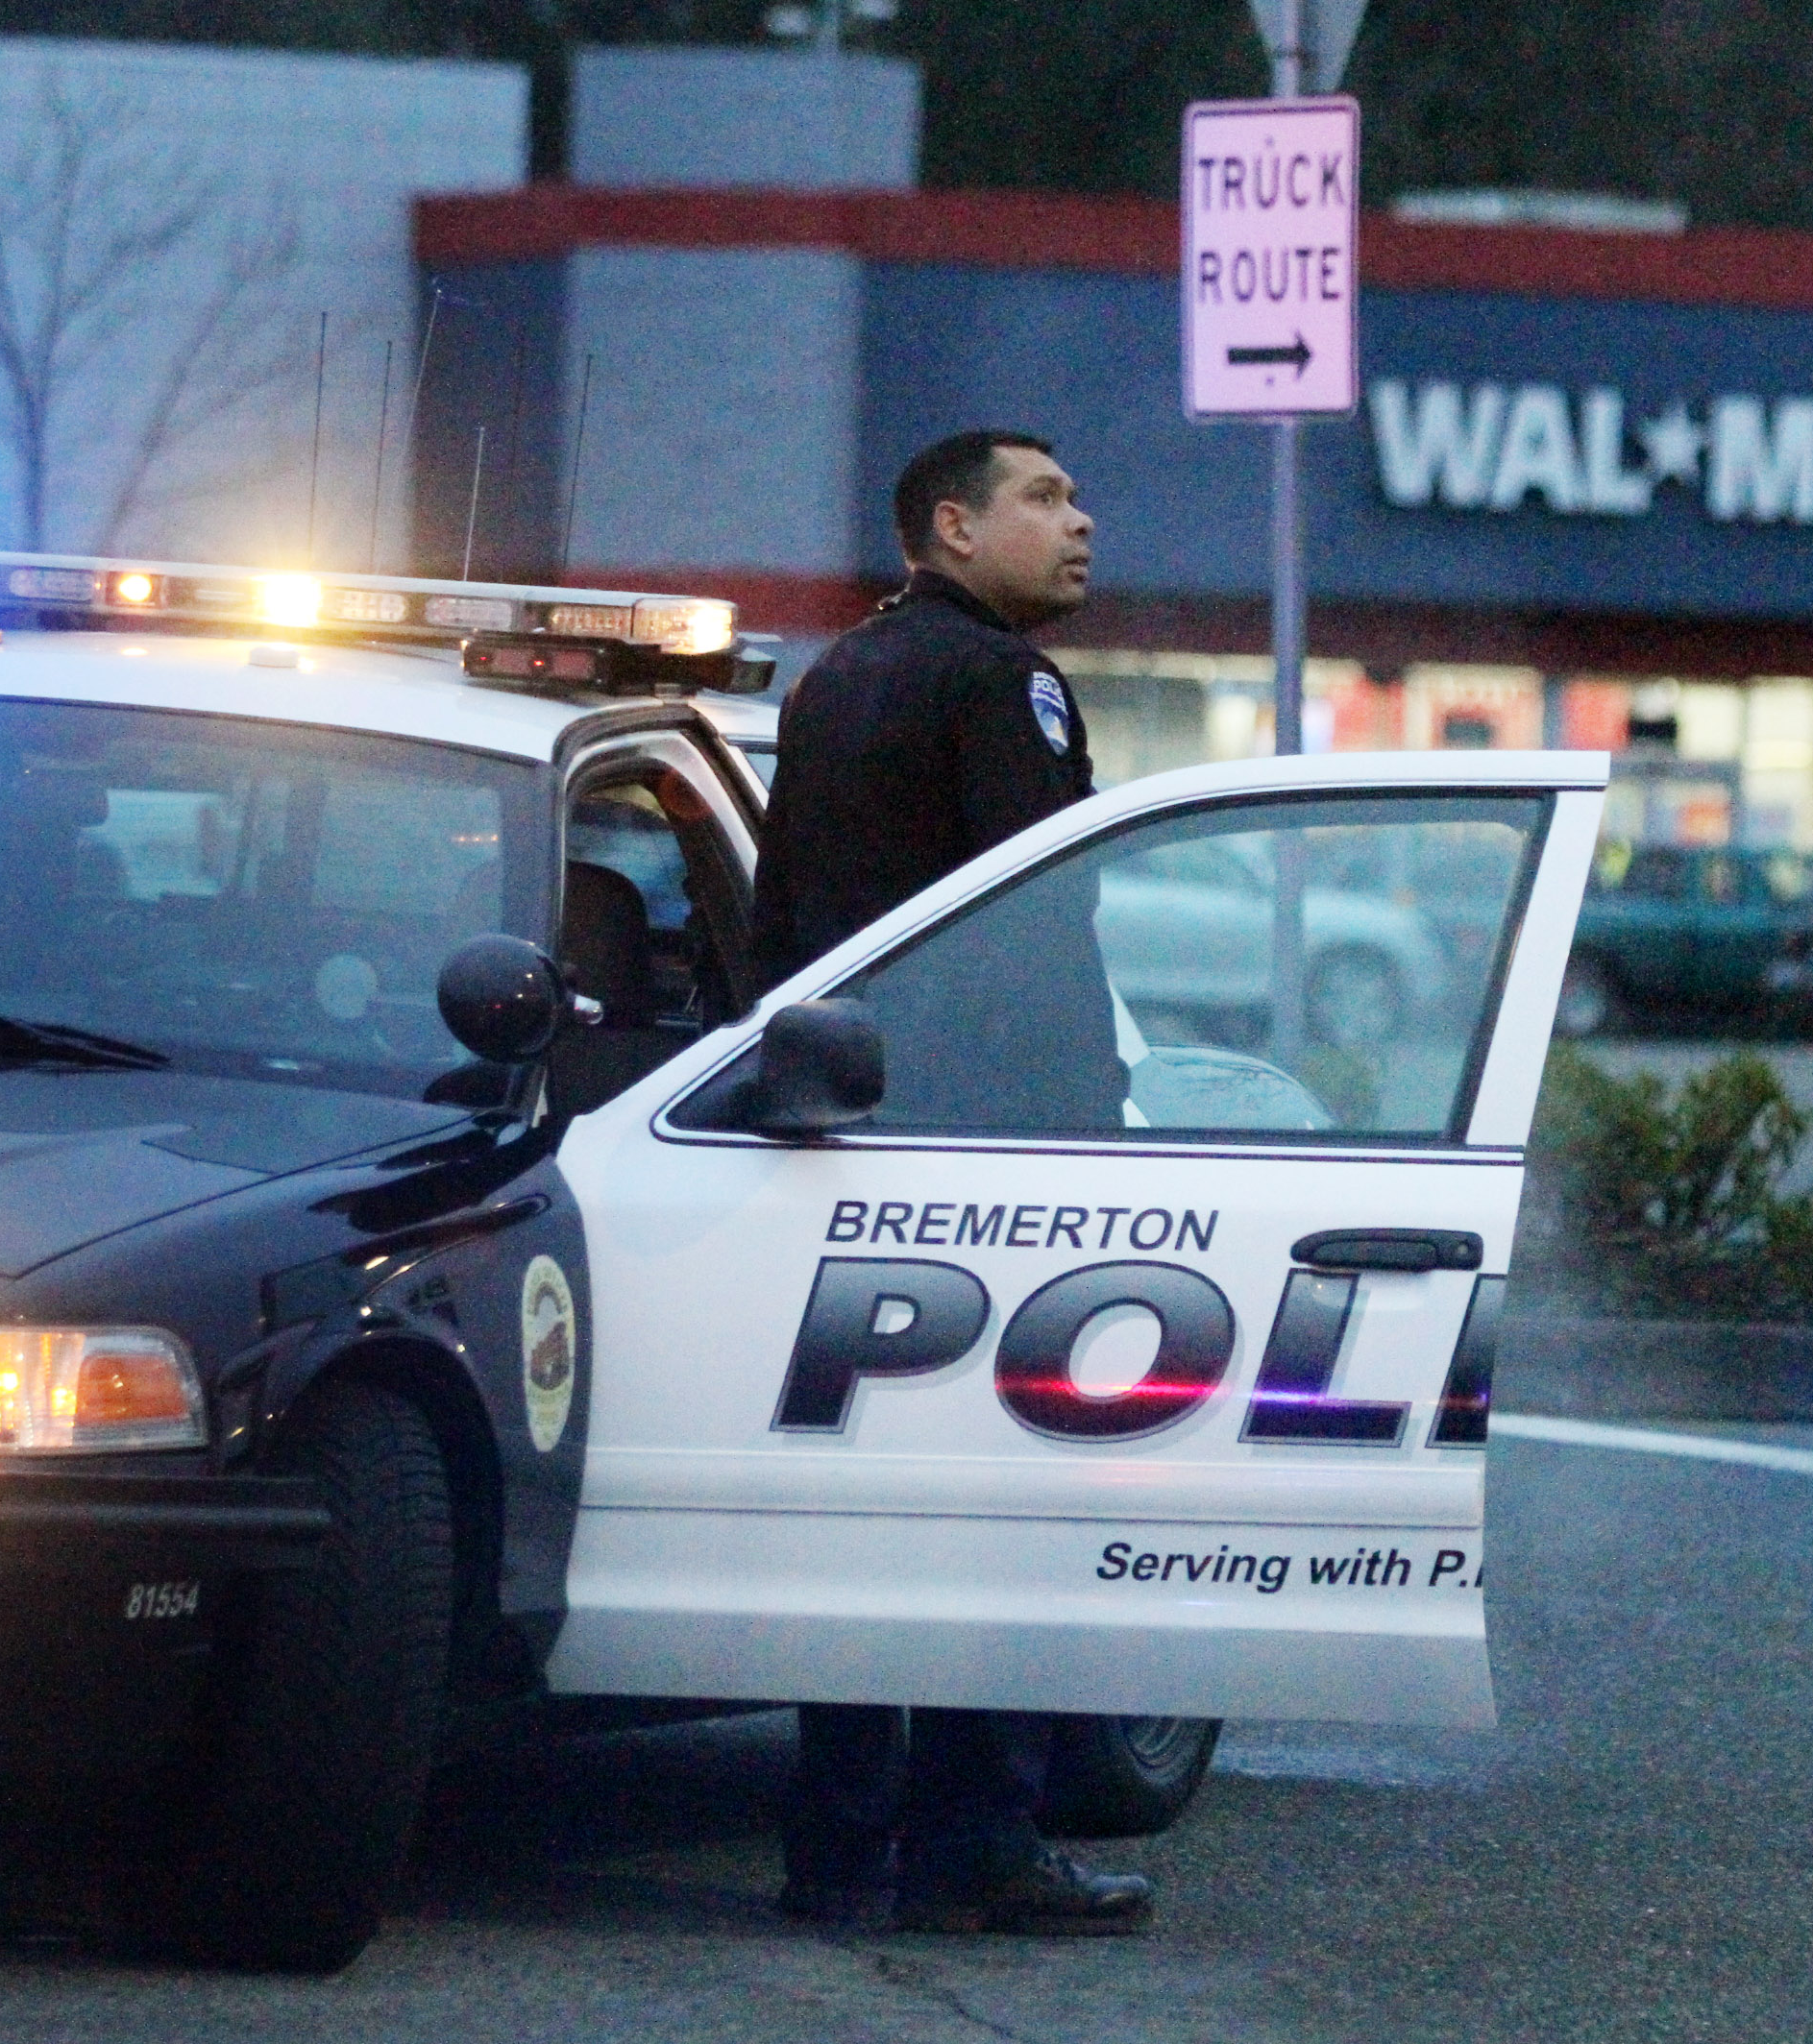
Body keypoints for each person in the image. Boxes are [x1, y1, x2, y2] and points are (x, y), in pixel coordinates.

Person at [746, 426, 1151, 1937]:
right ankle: (984, 1842)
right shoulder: (1002, 681)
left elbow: (789, 924)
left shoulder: (839, 674)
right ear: (951, 529)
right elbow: (1033, 914)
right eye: (1044, 497)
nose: (1081, 521)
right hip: (1000, 1147)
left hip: (851, 1132)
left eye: (1074, 489)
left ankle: (839, 1849)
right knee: (1007, 1502)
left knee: (862, 1498)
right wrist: (1089, 1121)